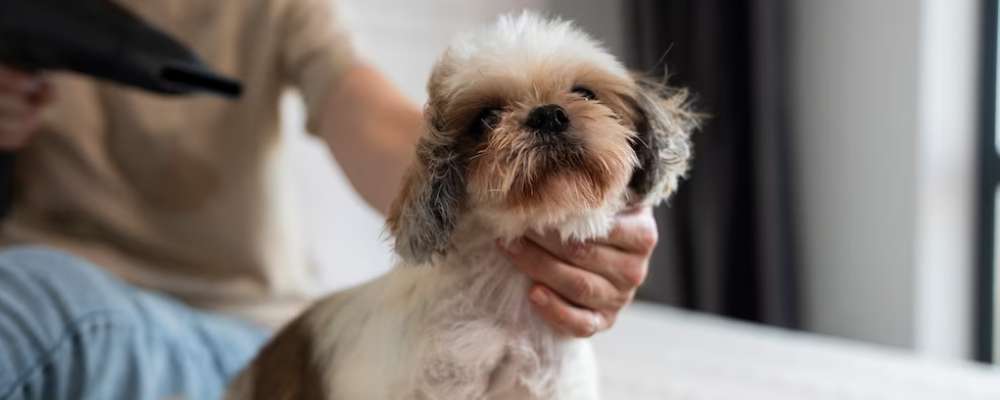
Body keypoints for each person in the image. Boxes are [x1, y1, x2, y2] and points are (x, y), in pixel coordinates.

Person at [0, 1, 659, 399]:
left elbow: (361, 111)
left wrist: (478, 184)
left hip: (240, 341)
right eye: (488, 119)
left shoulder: (276, 10)